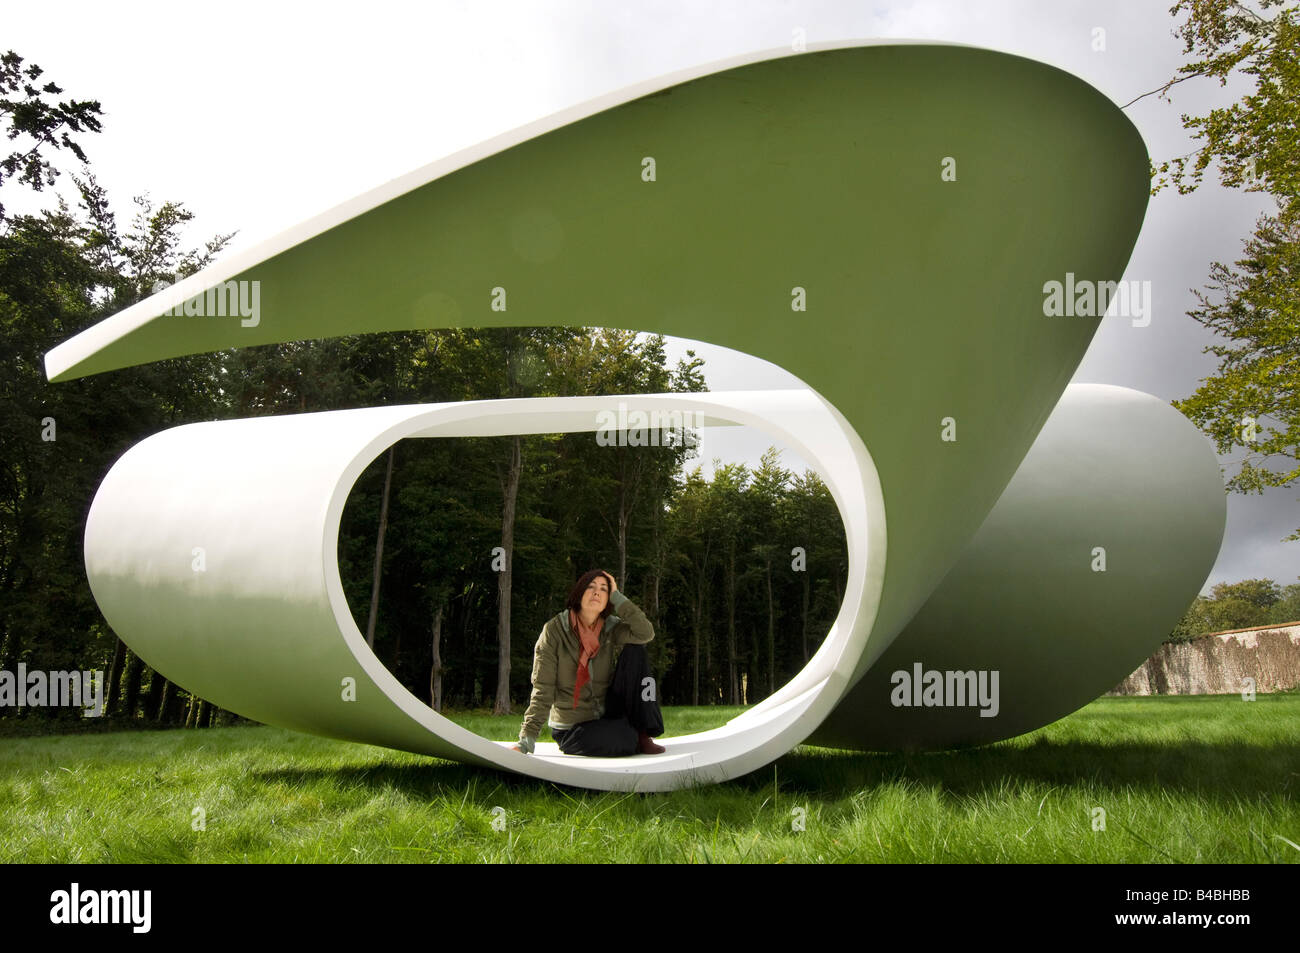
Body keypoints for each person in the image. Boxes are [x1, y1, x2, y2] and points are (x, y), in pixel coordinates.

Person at [513, 569, 666, 757]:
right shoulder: (554, 631)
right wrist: (526, 740)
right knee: (623, 738)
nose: (597, 592)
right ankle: (630, 736)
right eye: (591, 586)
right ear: (579, 593)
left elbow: (645, 633)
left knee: (636, 650)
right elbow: (543, 688)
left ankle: (643, 734)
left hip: (606, 715)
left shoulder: (610, 627)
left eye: (604, 589)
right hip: (573, 727)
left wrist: (617, 597)